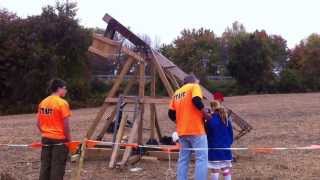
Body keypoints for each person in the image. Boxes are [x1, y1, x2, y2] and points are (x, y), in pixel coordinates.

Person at [168, 75, 209, 180]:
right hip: (196, 130)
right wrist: (206, 114)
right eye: (197, 81)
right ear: (194, 81)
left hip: (182, 132)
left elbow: (171, 113)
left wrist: (180, 122)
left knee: (183, 159)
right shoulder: (194, 86)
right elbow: (196, 100)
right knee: (201, 159)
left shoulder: (176, 93)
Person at [37, 79, 71, 180]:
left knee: (45, 166)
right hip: (59, 140)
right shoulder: (62, 103)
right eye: (65, 88)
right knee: (57, 167)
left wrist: (46, 132)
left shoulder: (43, 102)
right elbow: (66, 125)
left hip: (45, 139)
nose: (66, 91)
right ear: (59, 88)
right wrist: (68, 139)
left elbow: (38, 123)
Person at [207, 100, 233, 180]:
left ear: (212, 108)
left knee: (215, 170)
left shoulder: (210, 120)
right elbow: (231, 134)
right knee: (225, 169)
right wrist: (228, 144)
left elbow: (207, 134)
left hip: (214, 148)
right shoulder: (226, 120)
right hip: (225, 148)